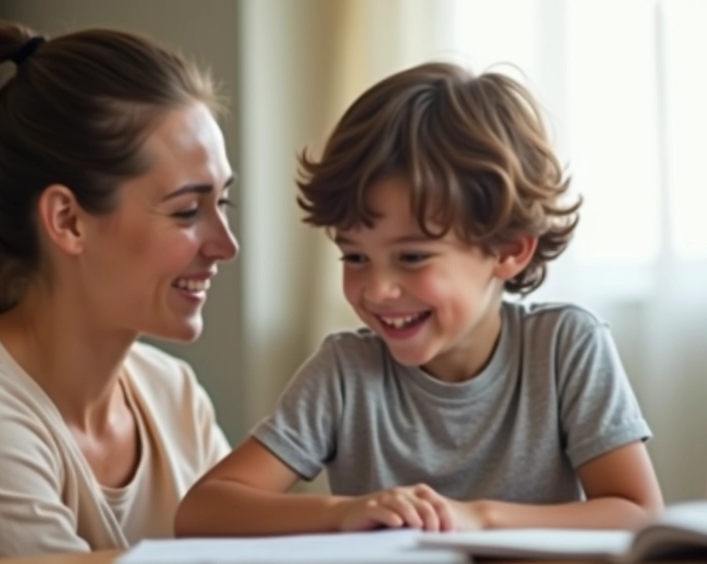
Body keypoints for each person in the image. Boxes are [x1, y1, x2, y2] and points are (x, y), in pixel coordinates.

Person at [175, 62, 662, 536]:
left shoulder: (564, 347)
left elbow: (637, 513)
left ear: (508, 250)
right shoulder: (345, 374)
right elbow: (202, 511)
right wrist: (343, 513)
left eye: (411, 257)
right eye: (355, 257)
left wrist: (475, 519)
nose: (376, 290)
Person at [0, 21, 238, 563]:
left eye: (224, 203)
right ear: (68, 220)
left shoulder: (175, 396)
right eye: (188, 211)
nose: (226, 245)